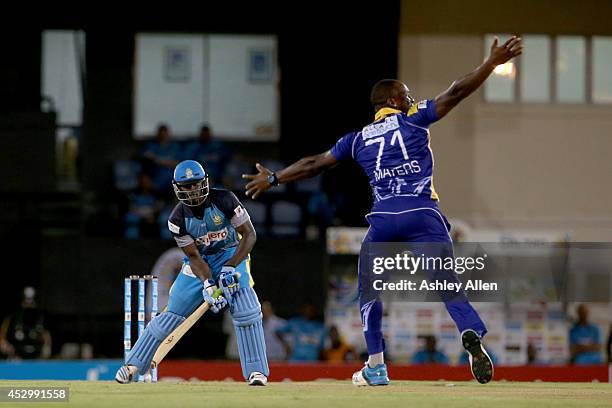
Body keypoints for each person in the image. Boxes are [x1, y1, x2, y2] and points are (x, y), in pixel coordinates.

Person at [243, 36, 523, 386]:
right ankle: (469, 331)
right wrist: (490, 64)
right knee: (447, 286)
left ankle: (375, 365)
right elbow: (455, 93)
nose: (410, 99)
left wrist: (274, 177)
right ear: (393, 100)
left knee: (369, 292)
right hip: (423, 215)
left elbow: (315, 163)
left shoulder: (357, 139)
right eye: (405, 95)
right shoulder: (414, 119)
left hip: (384, 221)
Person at [116, 159, 269, 386]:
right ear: (177, 188)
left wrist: (230, 267)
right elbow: (195, 257)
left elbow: (249, 235)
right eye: (186, 186)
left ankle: (257, 372)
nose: (192, 190)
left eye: (196, 184)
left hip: (231, 255)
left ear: (205, 182)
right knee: (170, 316)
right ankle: (133, 364)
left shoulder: (225, 200)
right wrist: (208, 283)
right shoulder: (176, 220)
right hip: (199, 263)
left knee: (247, 310)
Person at [0, 287, 51, 360]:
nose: (29, 306)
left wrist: (46, 350)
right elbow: (2, 340)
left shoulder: (43, 319)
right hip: (16, 358)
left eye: (32, 303)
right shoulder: (10, 319)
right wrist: (7, 348)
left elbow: (47, 339)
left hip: (38, 359)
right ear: (21, 302)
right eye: (26, 303)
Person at [141, 124, 182, 196]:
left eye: (164, 134)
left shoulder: (174, 147)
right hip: (155, 182)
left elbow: (178, 164)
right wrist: (167, 162)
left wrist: (158, 160)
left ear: (168, 134)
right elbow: (147, 157)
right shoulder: (152, 146)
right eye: (161, 134)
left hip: (171, 183)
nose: (163, 136)